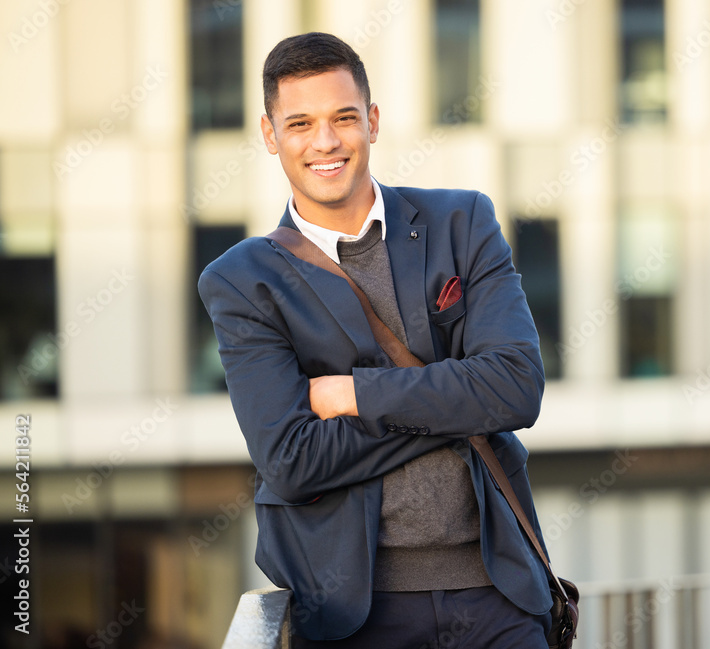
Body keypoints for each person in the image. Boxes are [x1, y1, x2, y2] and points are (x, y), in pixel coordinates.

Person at [198, 32, 553, 647]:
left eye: (343, 118)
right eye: (300, 123)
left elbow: (517, 388)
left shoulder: (461, 222)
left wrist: (356, 395)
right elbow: (292, 458)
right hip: (356, 614)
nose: (326, 142)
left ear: (374, 120)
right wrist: (452, 397)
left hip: (498, 596)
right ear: (269, 134)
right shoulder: (242, 280)